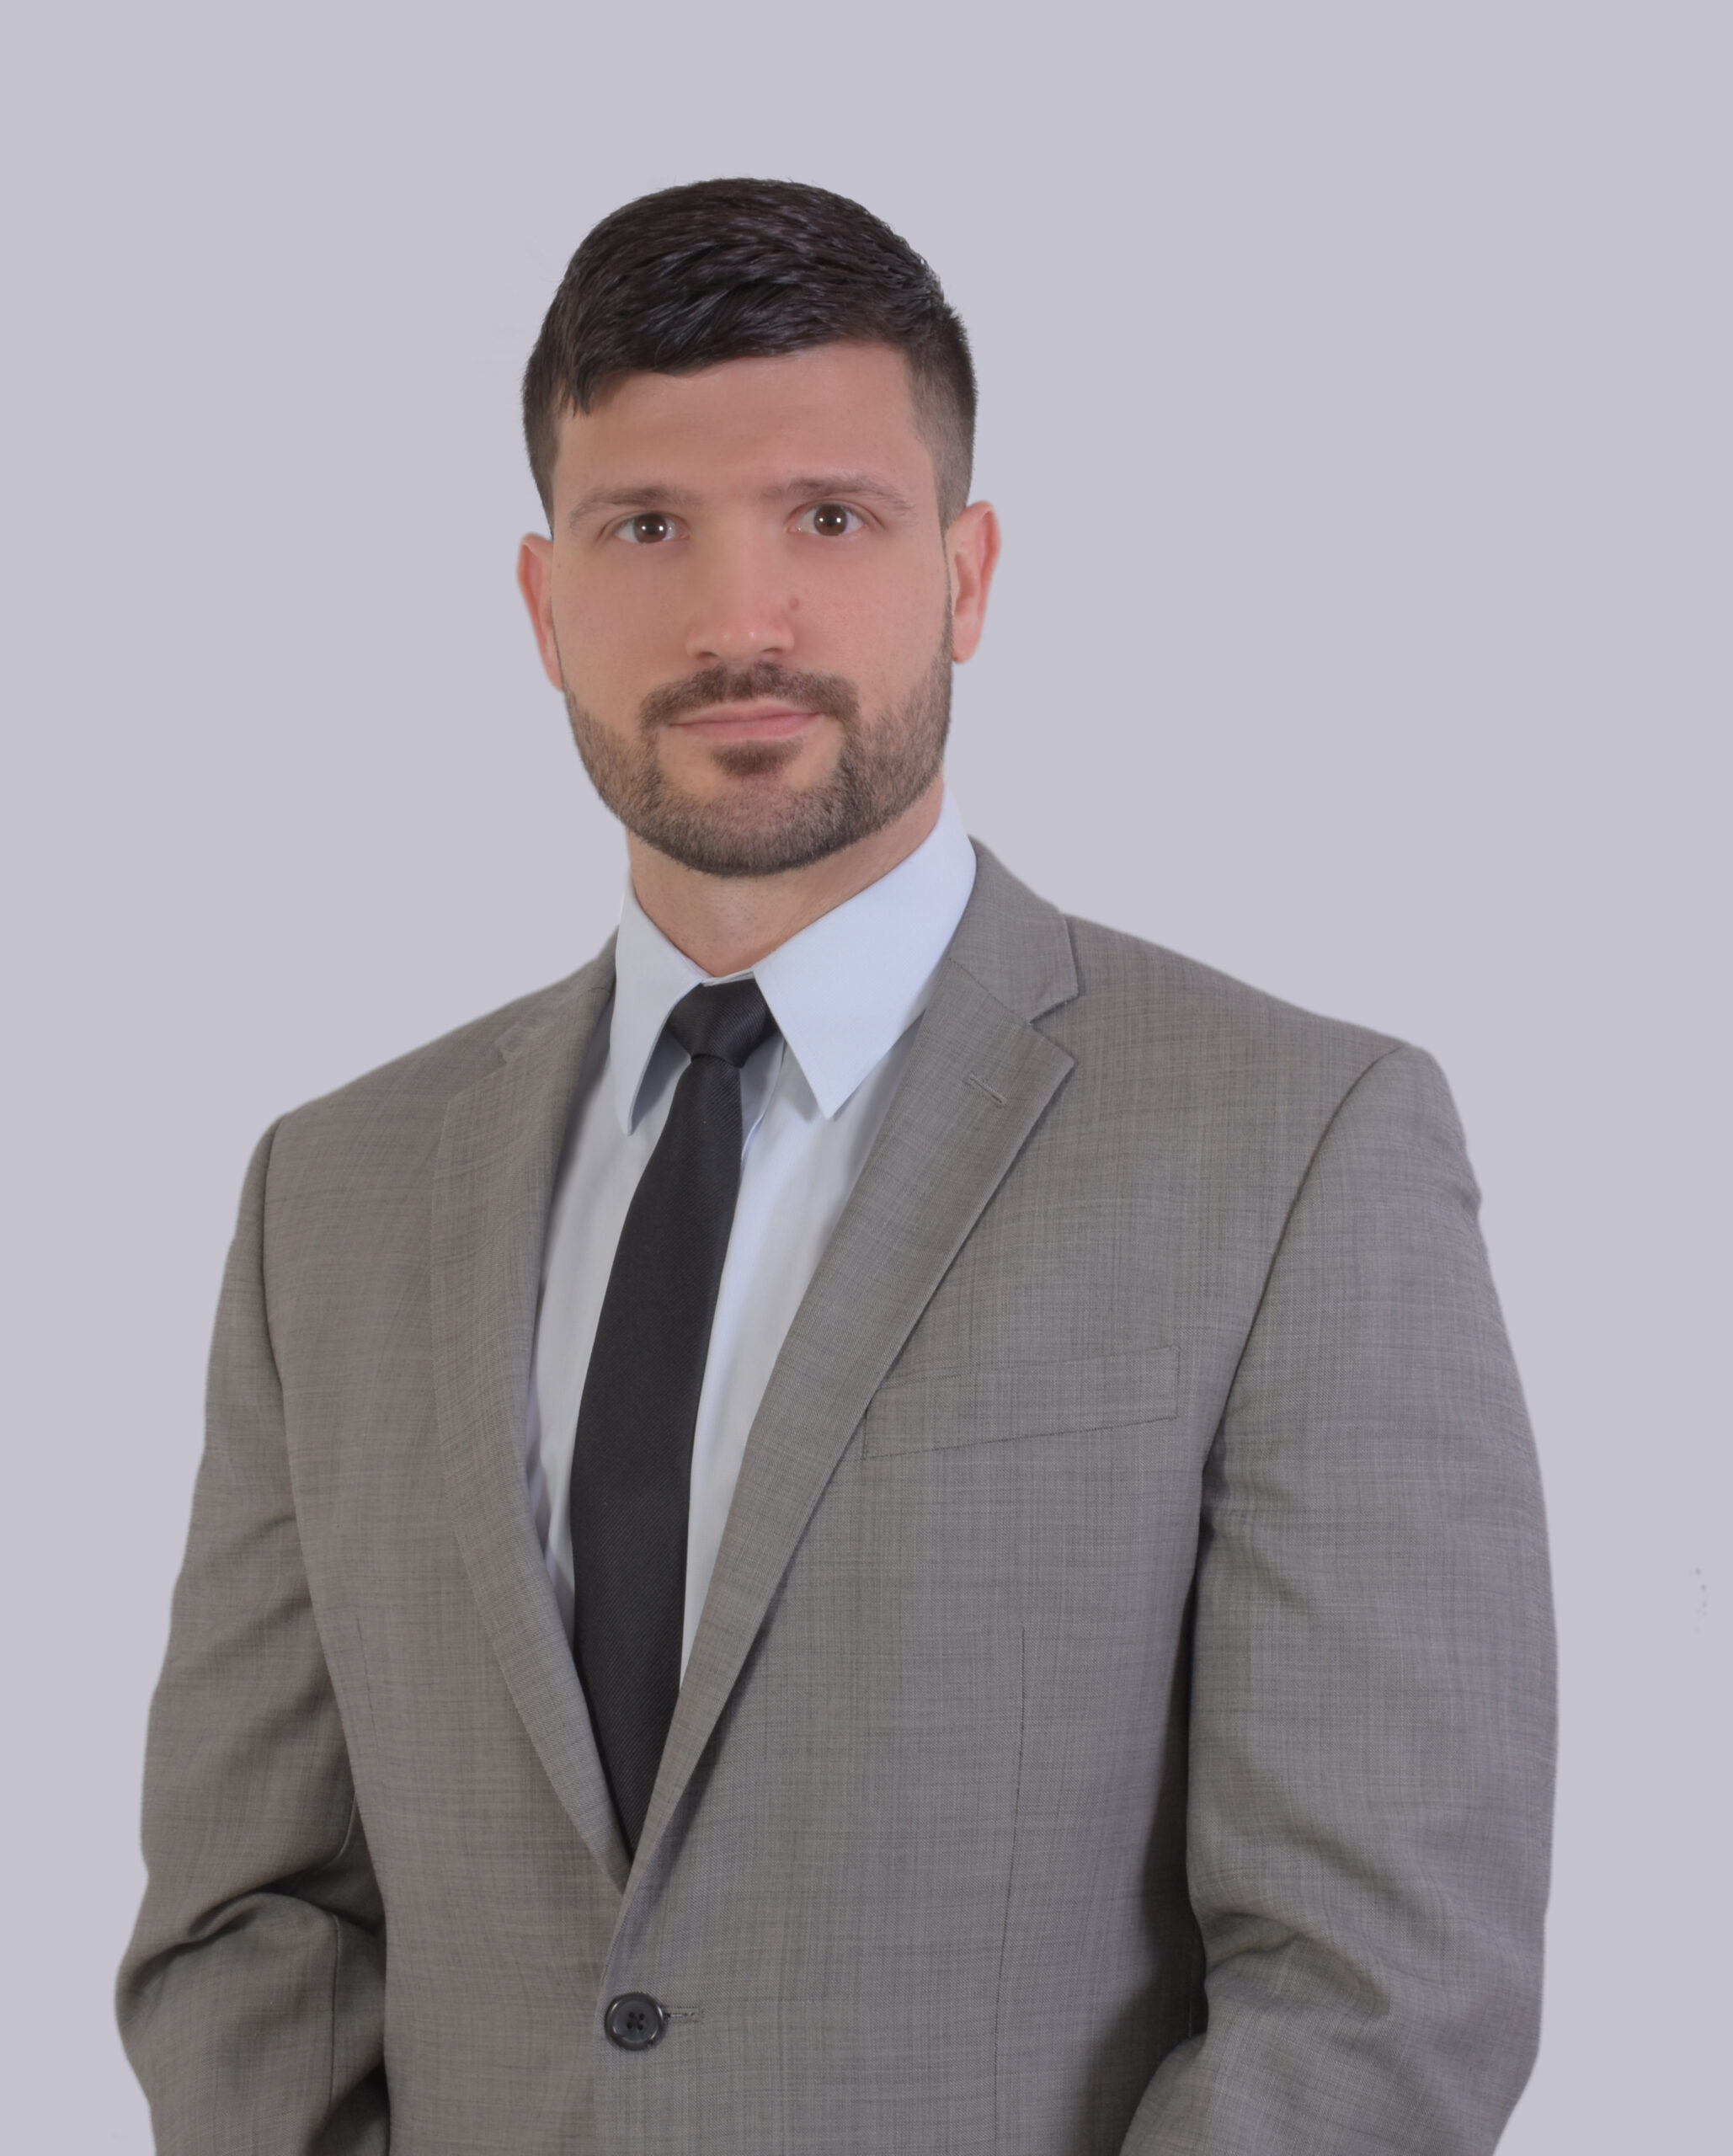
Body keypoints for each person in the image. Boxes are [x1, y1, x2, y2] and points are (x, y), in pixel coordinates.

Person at [118, 179, 1555, 2155]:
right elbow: (249, 1921)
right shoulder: (335, 1197)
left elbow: (1383, 1988)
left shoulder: (1296, 1148)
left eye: (830, 517)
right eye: (648, 527)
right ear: (543, 603)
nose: (740, 621)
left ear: (967, 573)